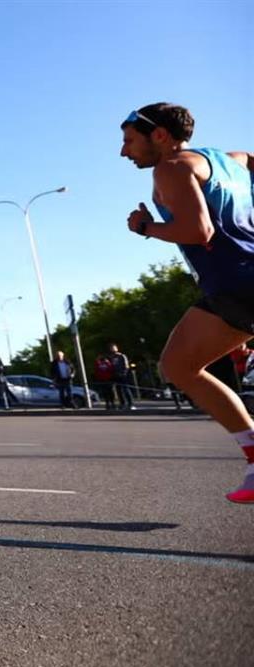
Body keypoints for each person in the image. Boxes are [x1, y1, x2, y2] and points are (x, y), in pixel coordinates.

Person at [120, 102, 254, 503]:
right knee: (177, 364)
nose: (124, 152)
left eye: (129, 141)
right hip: (235, 289)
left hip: (238, 286)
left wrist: (145, 226)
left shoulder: (172, 167)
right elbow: (250, 156)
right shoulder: (228, 160)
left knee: (179, 366)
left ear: (159, 135)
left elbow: (199, 231)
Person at [109, 343, 134, 410]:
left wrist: (124, 373)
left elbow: (126, 366)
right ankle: (122, 404)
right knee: (119, 391)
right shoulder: (111, 357)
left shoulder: (122, 356)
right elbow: (111, 367)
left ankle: (130, 404)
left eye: (114, 347)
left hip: (123, 376)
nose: (112, 349)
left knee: (126, 389)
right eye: (111, 348)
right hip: (116, 376)